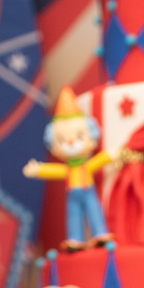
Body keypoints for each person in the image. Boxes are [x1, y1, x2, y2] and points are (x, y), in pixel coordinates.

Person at [24, 86, 113, 249]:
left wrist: (112, 155)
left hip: (88, 190)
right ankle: (76, 238)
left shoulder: (86, 166)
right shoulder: (68, 170)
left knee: (94, 211)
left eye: (79, 136)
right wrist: (38, 169)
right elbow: (56, 170)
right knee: (73, 216)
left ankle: (100, 233)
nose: (71, 142)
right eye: (62, 140)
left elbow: (99, 160)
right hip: (72, 194)